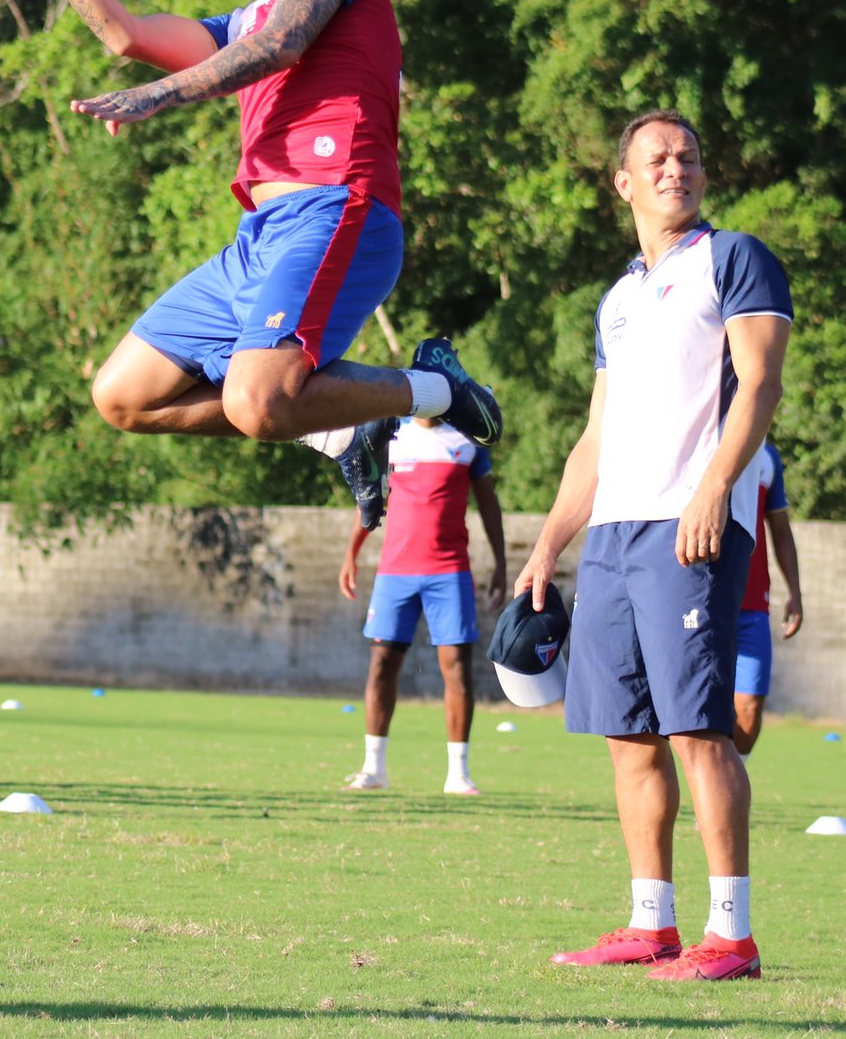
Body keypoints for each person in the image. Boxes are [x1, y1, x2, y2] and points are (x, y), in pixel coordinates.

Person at [0, 0, 499, 528]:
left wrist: (157, 94)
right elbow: (124, 35)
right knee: (123, 397)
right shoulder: (237, 26)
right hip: (259, 238)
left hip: (339, 210)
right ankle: (340, 429)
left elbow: (283, 44)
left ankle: (438, 389)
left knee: (258, 405)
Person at [513, 110, 791, 982]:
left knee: (697, 729)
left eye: (689, 157)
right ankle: (650, 924)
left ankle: (732, 937)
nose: (677, 168)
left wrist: (714, 488)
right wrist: (548, 544)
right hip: (611, 536)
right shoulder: (619, 300)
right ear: (624, 182)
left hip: (689, 526)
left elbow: (761, 381)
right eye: (658, 158)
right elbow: (595, 437)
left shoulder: (733, 258)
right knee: (628, 737)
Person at [338, 418, 507, 795]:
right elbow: (369, 495)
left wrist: (501, 564)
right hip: (394, 572)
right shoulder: (390, 434)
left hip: (449, 572)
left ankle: (458, 774)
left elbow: (488, 502)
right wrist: (351, 554)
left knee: (457, 667)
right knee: (381, 664)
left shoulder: (468, 438)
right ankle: (373, 768)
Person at [730, 441, 802, 758]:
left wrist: (795, 593)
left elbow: (781, 530)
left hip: (752, 604)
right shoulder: (695, 439)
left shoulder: (767, 456)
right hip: (699, 602)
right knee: (694, 706)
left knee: (749, 708)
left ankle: (730, 783)